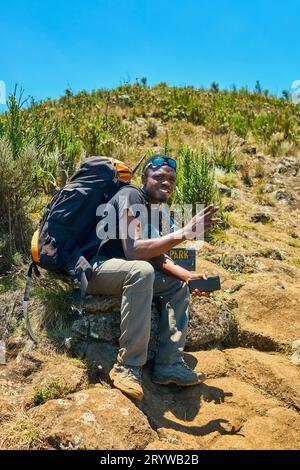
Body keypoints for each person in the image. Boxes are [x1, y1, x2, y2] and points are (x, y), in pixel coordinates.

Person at [86, 154, 220, 400]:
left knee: (176, 285)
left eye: (171, 178)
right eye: (159, 176)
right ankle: (128, 367)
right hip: (94, 270)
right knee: (142, 270)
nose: (166, 182)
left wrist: (187, 276)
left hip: (122, 273)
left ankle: (169, 364)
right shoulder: (131, 196)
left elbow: (156, 255)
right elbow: (134, 250)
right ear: (144, 178)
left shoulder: (152, 210)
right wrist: (185, 232)